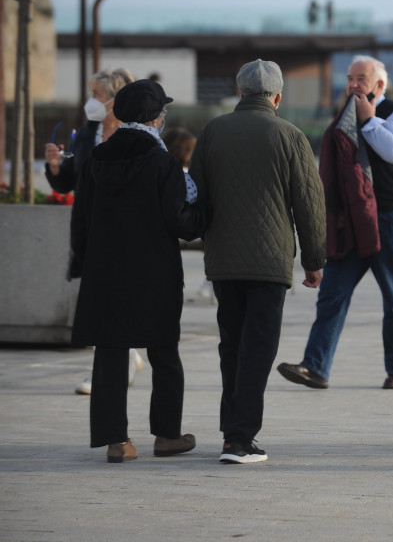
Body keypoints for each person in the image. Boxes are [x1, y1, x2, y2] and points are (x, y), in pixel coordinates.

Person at [188, 59, 326, 464]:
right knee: (259, 348)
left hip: (223, 262)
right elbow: (309, 205)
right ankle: (239, 439)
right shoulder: (291, 136)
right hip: (270, 262)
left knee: (231, 345)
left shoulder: (212, 131)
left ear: (240, 91)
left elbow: (195, 193)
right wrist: (314, 260)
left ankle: (232, 428)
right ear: (277, 97)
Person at [70, 79, 202, 463]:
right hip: (153, 274)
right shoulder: (162, 162)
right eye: (163, 111)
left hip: (104, 273)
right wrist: (203, 215)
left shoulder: (97, 158)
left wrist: (83, 264)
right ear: (156, 118)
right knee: (164, 352)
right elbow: (181, 223)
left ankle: (117, 443)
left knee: (110, 355)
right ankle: (167, 436)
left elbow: (82, 220)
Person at [277, 55, 393, 391]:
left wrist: (369, 121)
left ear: (379, 85)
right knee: (332, 293)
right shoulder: (343, 116)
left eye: (361, 79)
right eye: (351, 78)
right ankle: (315, 367)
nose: (353, 84)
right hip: (351, 221)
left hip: (389, 219)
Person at [43, 67, 144, 396]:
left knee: (119, 300)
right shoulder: (87, 135)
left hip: (125, 233)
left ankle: (114, 366)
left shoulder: (136, 135)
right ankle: (121, 360)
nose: (91, 102)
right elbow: (71, 180)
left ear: (116, 99)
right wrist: (56, 167)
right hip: (90, 230)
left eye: (97, 95)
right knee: (99, 302)